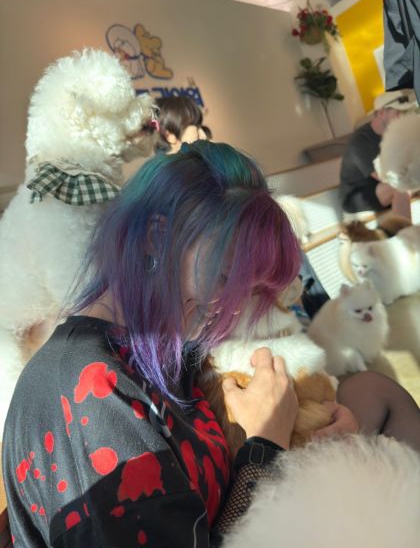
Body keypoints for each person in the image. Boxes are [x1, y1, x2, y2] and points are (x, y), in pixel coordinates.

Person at [3, 142, 420, 548]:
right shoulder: (88, 391)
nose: (236, 308)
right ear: (156, 237)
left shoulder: (167, 347)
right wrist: (266, 445)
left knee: (370, 390)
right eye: (224, 279)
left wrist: (323, 432)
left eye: (250, 290)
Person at [339, 90, 416, 219]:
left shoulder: (394, 133)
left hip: (380, 187)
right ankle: (404, 230)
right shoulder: (360, 142)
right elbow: (385, 177)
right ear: (381, 113)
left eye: (404, 113)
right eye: (398, 113)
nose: (402, 118)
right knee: (400, 186)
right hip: (356, 196)